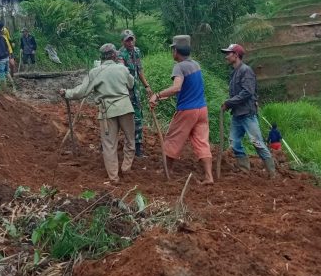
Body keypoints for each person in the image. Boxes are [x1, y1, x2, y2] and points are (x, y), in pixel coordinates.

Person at [60, 43, 135, 184]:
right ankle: (126, 168)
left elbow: (81, 92)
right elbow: (131, 84)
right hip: (125, 108)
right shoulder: (122, 69)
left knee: (109, 145)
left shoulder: (95, 72)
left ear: (101, 57)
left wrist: (67, 93)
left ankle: (114, 177)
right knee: (130, 140)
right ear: (115, 55)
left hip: (107, 111)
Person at [149, 35, 214, 185]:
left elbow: (177, 87)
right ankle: (209, 176)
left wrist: (157, 95)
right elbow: (188, 89)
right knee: (202, 142)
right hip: (202, 109)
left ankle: (167, 170)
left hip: (187, 111)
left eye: (173, 49)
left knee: (173, 138)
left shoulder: (179, 67)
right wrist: (166, 97)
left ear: (176, 51)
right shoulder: (196, 65)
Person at [220, 43, 275, 177]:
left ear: (236, 55)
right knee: (234, 142)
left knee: (257, 143)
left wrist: (229, 102)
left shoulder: (246, 71)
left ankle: (272, 173)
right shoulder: (234, 72)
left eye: (229, 53)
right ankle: (244, 169)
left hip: (247, 114)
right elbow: (238, 94)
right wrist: (230, 105)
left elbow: (247, 92)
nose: (226, 56)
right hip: (237, 114)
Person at [117, 29, 153, 157]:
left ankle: (137, 148)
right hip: (124, 92)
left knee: (137, 117)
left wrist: (146, 86)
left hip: (135, 91)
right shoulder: (120, 55)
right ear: (122, 42)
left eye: (131, 39)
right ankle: (110, 145)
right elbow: (122, 72)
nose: (130, 42)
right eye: (127, 40)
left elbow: (139, 69)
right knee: (119, 119)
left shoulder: (136, 51)